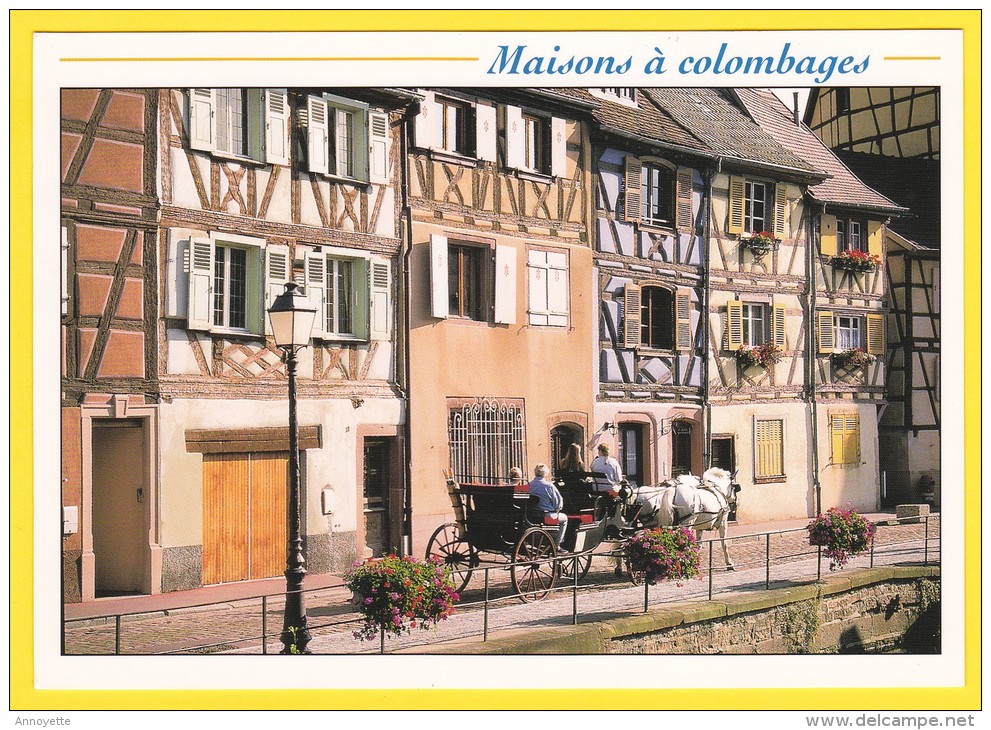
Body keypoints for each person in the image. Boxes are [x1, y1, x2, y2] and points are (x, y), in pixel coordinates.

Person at [589, 443, 625, 576]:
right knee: (624, 493)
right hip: (610, 492)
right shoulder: (613, 462)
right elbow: (619, 479)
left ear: (599, 451)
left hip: (596, 491)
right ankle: (621, 517)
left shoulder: (595, 462)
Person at [528, 463, 568, 550]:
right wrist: (556, 511)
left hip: (532, 515)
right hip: (546, 515)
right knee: (564, 518)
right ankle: (557, 544)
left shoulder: (529, 484)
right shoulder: (549, 486)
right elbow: (558, 503)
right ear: (545, 473)